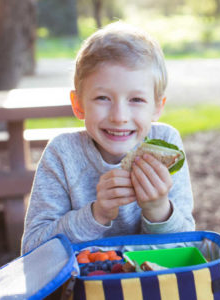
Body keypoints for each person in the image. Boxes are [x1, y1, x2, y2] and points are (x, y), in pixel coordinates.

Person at [21, 21, 195, 254]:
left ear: (157, 107)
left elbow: (188, 250)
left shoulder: (166, 144)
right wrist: (96, 214)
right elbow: (32, 251)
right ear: (78, 104)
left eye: (136, 100)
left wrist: (159, 211)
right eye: (103, 98)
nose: (119, 117)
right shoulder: (63, 154)